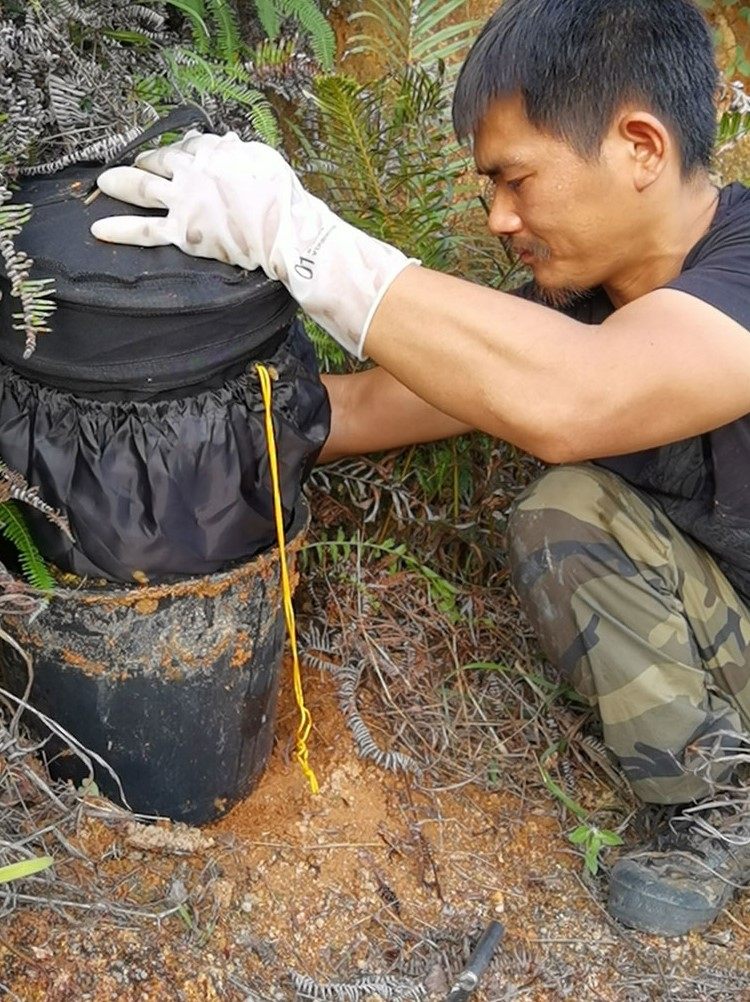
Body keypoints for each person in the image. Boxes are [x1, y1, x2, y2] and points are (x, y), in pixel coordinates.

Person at [90, 0, 750, 938]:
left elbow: (579, 394)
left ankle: (713, 813)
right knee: (571, 514)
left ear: (641, 146)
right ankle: (715, 781)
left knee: (564, 491)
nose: (498, 218)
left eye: (515, 179)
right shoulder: (583, 309)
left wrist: (300, 239)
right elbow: (367, 405)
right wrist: (146, 423)